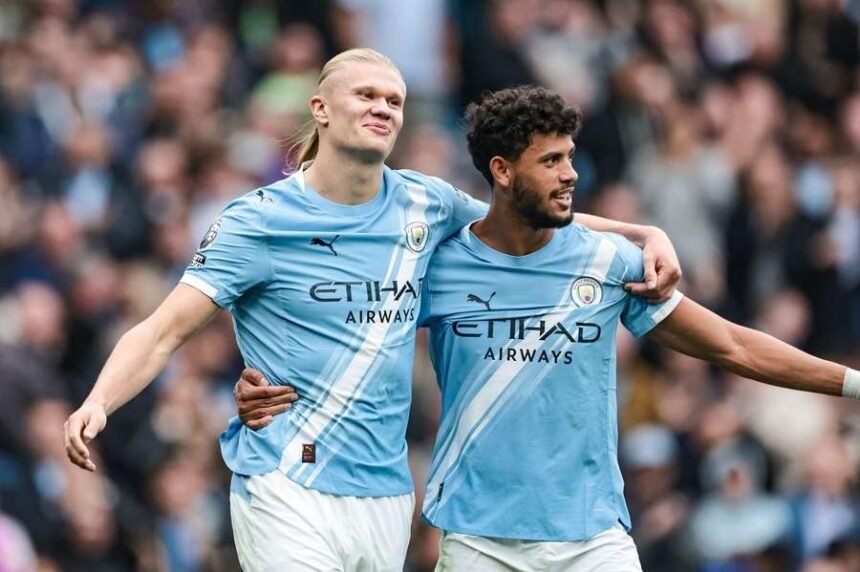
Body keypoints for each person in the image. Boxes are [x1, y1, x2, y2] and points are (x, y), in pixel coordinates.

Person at [63, 50, 681, 571]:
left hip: (384, 493)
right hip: (284, 479)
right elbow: (163, 330)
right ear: (321, 109)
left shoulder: (424, 202)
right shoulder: (258, 222)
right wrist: (98, 401)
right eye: (367, 94)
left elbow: (524, 216)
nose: (384, 108)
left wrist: (640, 232)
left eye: (395, 100)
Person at [236, 85, 860, 571]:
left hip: (593, 537)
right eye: (552, 160)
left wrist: (853, 384)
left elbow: (731, 343)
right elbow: (347, 336)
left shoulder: (606, 261)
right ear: (502, 171)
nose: (571, 175)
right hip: (480, 540)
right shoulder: (438, 264)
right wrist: (260, 386)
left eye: (572, 158)